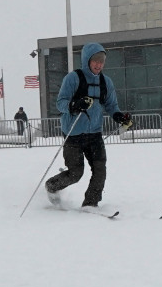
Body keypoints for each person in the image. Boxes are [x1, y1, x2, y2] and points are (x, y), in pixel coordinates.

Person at [45, 42, 132, 208]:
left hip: (94, 134)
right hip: (73, 134)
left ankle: (90, 204)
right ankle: (52, 186)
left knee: (100, 170)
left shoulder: (106, 82)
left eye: (102, 61)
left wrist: (120, 117)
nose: (99, 65)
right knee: (76, 173)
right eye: (95, 61)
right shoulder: (73, 78)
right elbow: (60, 103)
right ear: (87, 60)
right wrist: (74, 105)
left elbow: (111, 106)